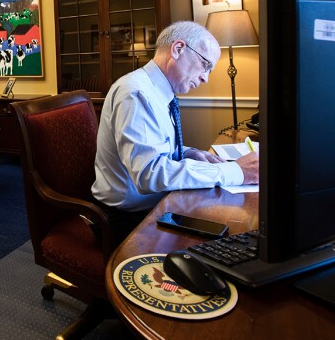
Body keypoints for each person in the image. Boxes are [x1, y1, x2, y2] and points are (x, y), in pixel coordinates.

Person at [92, 20, 260, 242]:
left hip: (155, 204)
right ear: (178, 49)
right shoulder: (136, 94)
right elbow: (150, 174)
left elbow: (153, 146)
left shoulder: (159, 92)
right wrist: (237, 171)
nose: (205, 77)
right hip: (127, 219)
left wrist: (188, 152)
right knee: (224, 242)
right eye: (205, 64)